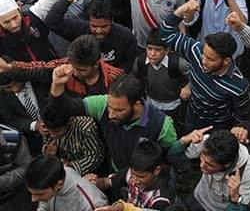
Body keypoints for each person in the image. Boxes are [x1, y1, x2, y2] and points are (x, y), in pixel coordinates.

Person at [47, 67, 182, 171]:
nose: (111, 114)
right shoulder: (102, 105)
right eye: (110, 107)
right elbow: (62, 109)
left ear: (137, 105)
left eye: (119, 110)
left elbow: (169, 157)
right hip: (115, 170)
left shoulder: (161, 125)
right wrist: (57, 85)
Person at [160, 0, 250, 132]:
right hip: (192, 118)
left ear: (226, 61)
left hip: (218, 128)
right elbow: (166, 33)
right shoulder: (196, 50)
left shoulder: (239, 86)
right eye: (204, 54)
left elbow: (241, 118)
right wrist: (181, 10)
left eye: (210, 59)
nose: (203, 60)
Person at [183, 129, 250, 211]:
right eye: (202, 159)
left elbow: (242, 207)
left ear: (226, 164)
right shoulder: (206, 142)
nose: (202, 166)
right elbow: (177, 158)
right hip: (198, 197)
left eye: (210, 165)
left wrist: (235, 198)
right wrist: (186, 141)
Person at [89, 138, 176, 209]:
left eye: (141, 177)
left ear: (157, 170)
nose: (135, 180)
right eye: (133, 174)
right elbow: (106, 182)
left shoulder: (160, 199)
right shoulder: (129, 173)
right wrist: (94, 183)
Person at [25, 153, 108, 211]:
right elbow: (45, 202)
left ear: (59, 185)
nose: (33, 199)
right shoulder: (55, 172)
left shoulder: (90, 204)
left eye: (40, 194)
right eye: (32, 193)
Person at [40, 105, 105, 176]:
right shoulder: (47, 124)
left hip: (90, 173)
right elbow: (48, 145)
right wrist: (52, 154)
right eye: (50, 130)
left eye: (57, 131)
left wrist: (72, 166)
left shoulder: (85, 128)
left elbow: (95, 157)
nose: (53, 135)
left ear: (68, 122)